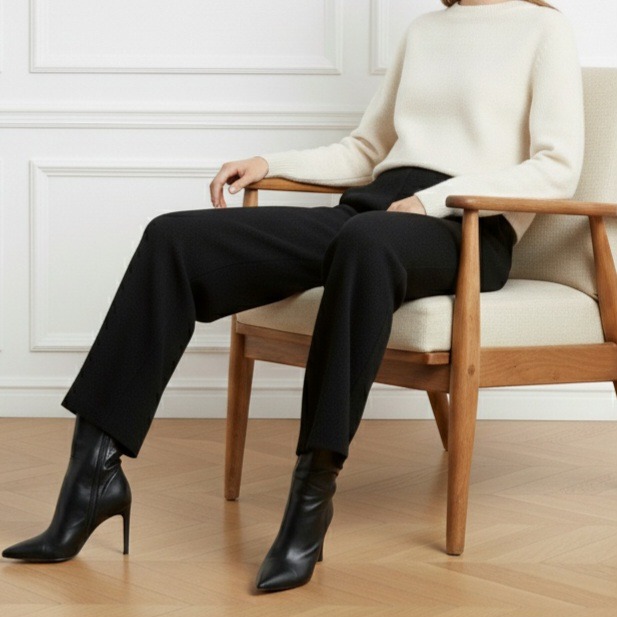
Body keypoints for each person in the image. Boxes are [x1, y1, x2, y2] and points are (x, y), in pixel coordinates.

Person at [3, 0, 584, 593]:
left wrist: (433, 201)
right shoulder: (425, 30)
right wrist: (269, 163)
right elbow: (367, 151)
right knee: (173, 238)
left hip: (467, 227)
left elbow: (557, 167)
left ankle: (312, 499)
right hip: (375, 212)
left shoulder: (543, 28)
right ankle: (91, 480)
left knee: (366, 242)